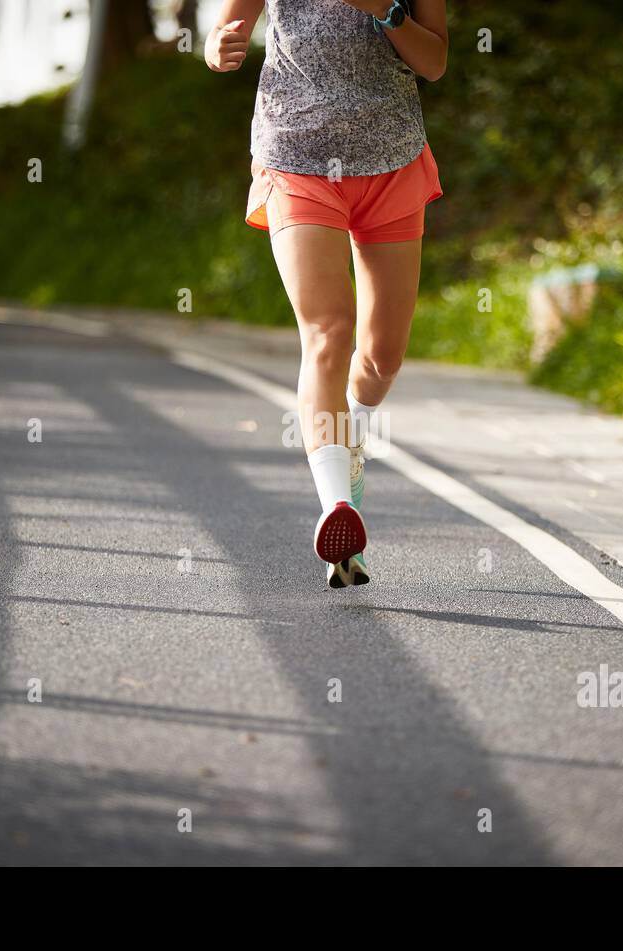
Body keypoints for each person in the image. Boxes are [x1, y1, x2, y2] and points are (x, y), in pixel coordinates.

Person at [205, 0, 447, 588]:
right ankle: (338, 505)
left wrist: (386, 12)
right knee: (327, 333)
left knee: (381, 357)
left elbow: (435, 60)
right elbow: (225, 28)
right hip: (296, 158)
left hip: (390, 159)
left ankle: (351, 437)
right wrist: (219, 48)